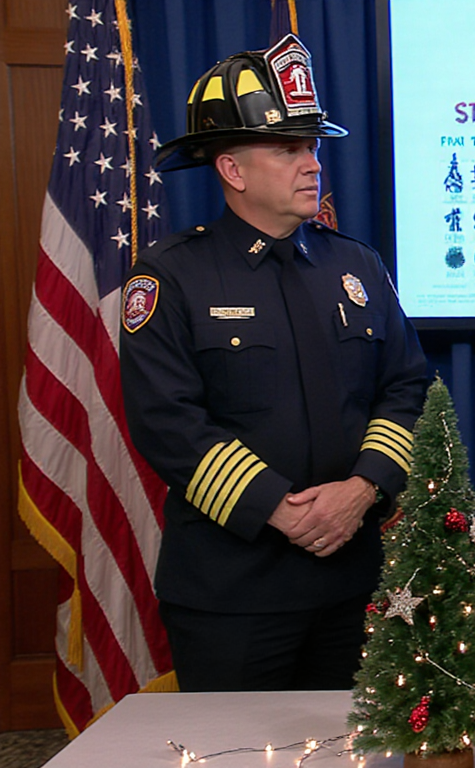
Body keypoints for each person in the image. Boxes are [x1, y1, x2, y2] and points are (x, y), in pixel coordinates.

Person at [120, 35, 427, 691]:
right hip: (234, 590)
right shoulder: (172, 276)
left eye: (313, 147)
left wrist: (362, 489)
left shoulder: (357, 265)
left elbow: (406, 387)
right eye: (288, 149)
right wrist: (281, 511)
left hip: (352, 580)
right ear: (232, 170)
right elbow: (166, 421)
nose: (312, 164)